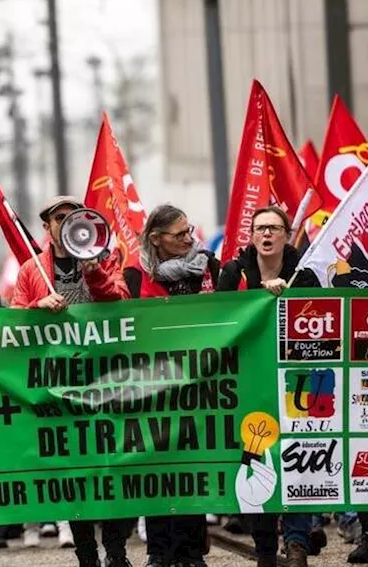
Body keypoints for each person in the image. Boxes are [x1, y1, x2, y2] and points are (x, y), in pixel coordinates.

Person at [11, 195, 130, 567]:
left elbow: (124, 304)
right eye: (59, 218)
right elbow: (13, 324)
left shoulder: (106, 261)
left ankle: (116, 551)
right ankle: (87, 555)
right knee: (74, 476)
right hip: (58, 386)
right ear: (47, 227)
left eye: (74, 216)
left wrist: (94, 272)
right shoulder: (33, 270)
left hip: (105, 381)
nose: (67, 223)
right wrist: (36, 307)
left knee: (112, 470)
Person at [216, 207, 320, 567]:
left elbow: (320, 321)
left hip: (297, 381)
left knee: (298, 462)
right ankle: (264, 549)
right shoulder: (233, 272)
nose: (267, 235)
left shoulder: (304, 274)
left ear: (286, 234)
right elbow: (220, 320)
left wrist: (286, 298)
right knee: (255, 463)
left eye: (274, 228)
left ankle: (296, 544)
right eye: (260, 228)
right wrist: (260, 295)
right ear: (252, 235)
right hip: (249, 382)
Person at [126, 204, 217, 567]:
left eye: (188, 231)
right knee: (158, 470)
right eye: (179, 235)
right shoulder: (134, 274)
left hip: (198, 384)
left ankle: (191, 552)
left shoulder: (208, 265)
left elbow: (234, 304)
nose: (188, 239)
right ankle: (159, 552)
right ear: (155, 239)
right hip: (153, 388)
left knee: (191, 468)